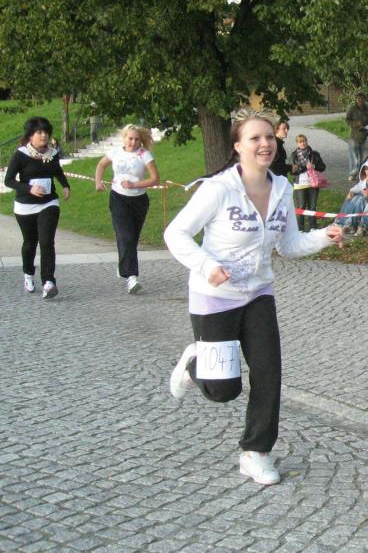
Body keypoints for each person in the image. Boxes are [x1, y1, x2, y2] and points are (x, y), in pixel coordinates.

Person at [164, 108, 344, 486]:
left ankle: (255, 453)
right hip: (215, 295)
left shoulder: (281, 189)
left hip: (259, 293)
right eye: (255, 138)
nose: (265, 144)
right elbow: (175, 234)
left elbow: (289, 245)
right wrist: (206, 265)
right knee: (223, 390)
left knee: (268, 373)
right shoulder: (218, 189)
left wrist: (323, 237)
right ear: (238, 147)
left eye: (269, 137)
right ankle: (195, 363)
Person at [4, 117, 71, 299]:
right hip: (25, 206)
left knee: (47, 241)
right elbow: (8, 180)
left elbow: (57, 170)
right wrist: (29, 188)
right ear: (30, 136)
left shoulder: (52, 153)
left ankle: (49, 282)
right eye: (39, 132)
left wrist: (65, 185)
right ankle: (28, 273)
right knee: (30, 243)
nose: (44, 136)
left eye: (46, 132)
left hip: (49, 203)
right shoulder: (21, 154)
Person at [94, 124, 161, 294]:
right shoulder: (115, 152)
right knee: (126, 237)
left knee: (132, 239)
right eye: (130, 138)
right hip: (118, 198)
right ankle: (132, 278)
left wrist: (134, 184)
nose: (133, 142)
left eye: (137, 139)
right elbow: (101, 165)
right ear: (124, 138)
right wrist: (98, 182)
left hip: (139, 200)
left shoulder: (144, 154)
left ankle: (123, 265)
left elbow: (155, 179)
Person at [290, 134, 326, 230]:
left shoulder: (314, 154)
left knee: (312, 207)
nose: (303, 143)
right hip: (300, 184)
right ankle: (300, 229)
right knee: (301, 207)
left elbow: (323, 167)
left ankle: (313, 227)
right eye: (300, 142)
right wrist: (304, 167)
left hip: (313, 183)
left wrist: (314, 166)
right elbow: (292, 171)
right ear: (297, 144)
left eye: (304, 141)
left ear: (307, 141)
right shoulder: (294, 155)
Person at [335, 160, 368, 237]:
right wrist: (351, 192)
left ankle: (351, 223)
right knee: (351, 198)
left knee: (359, 199)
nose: (367, 171)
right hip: (365, 198)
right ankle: (340, 221)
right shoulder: (365, 180)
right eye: (366, 169)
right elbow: (357, 187)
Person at [345, 93, 368, 180]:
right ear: (356, 99)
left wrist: (367, 126)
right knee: (354, 157)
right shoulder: (352, 109)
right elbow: (347, 120)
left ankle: (361, 174)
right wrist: (356, 123)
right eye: (358, 99)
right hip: (354, 136)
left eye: (362, 98)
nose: (360, 100)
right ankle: (352, 174)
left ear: (365, 99)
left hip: (365, 136)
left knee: (363, 157)